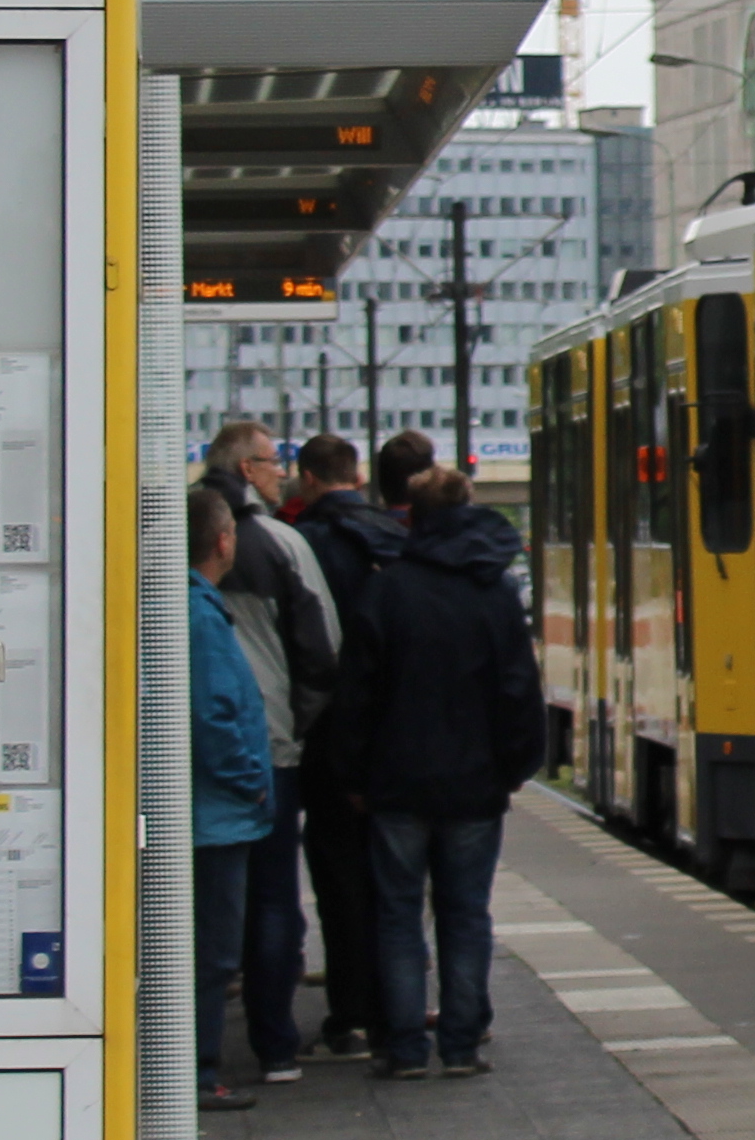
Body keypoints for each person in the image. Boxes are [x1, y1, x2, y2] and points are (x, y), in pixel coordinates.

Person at [333, 462, 541, 1076]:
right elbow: (518, 689)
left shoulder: (386, 590)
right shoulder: (494, 593)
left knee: (398, 915)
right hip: (475, 784)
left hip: (396, 783)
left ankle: (402, 1047)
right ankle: (460, 1043)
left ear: (412, 518)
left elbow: (357, 695)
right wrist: (516, 764)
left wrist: (352, 775)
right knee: (466, 911)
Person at [201, 420, 335, 1081]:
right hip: (269, 750)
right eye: (273, 461)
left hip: (181, 756)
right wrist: (295, 727)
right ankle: (275, 1044)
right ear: (248, 471)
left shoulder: (163, 540)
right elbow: (322, 648)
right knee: (274, 899)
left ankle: (190, 1045)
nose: (282, 471)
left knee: (197, 900)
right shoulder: (282, 543)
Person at [288, 431, 398, 1056]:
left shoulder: (300, 545)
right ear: (356, 477)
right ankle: (397, 1009)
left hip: (327, 737)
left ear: (308, 479)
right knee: (397, 881)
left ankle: (349, 1013)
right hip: (393, 740)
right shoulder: (395, 542)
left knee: (338, 879)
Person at [185, 484, 281, 1114]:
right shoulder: (199, 613)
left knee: (211, 948)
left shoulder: (196, 606)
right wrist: (249, 777)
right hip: (216, 815)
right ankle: (198, 1068)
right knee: (213, 951)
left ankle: (196, 1065)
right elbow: (213, 714)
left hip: (211, 809)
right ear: (223, 540)